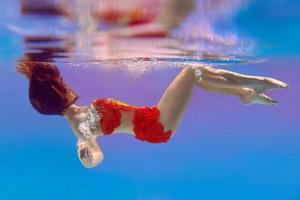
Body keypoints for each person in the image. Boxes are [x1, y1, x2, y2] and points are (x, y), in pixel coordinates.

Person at [17, 60, 288, 168]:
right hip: (156, 126)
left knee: (200, 78)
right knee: (194, 71)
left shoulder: (82, 113)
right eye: (60, 83)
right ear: (56, 92)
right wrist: (86, 157)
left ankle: (244, 94)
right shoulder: (78, 125)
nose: (65, 84)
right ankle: (254, 82)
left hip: (154, 116)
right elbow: (95, 156)